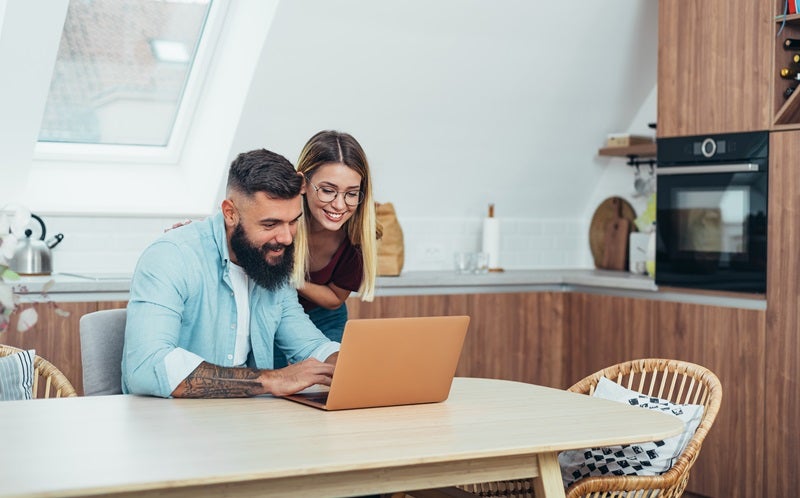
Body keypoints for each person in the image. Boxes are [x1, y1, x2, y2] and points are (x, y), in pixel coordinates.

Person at [122, 149, 339, 398]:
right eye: (270, 224)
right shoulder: (172, 256)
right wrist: (269, 380)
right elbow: (147, 366)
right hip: (171, 423)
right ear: (230, 213)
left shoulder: (269, 264)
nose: (287, 238)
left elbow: (311, 346)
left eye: (293, 221)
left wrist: (350, 365)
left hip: (246, 420)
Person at [274, 130, 381, 367]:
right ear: (303, 183)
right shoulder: (277, 217)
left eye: (351, 194)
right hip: (274, 315)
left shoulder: (356, 238)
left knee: (326, 389)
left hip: (326, 321)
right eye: (328, 190)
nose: (339, 205)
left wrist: (290, 278)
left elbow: (334, 299)